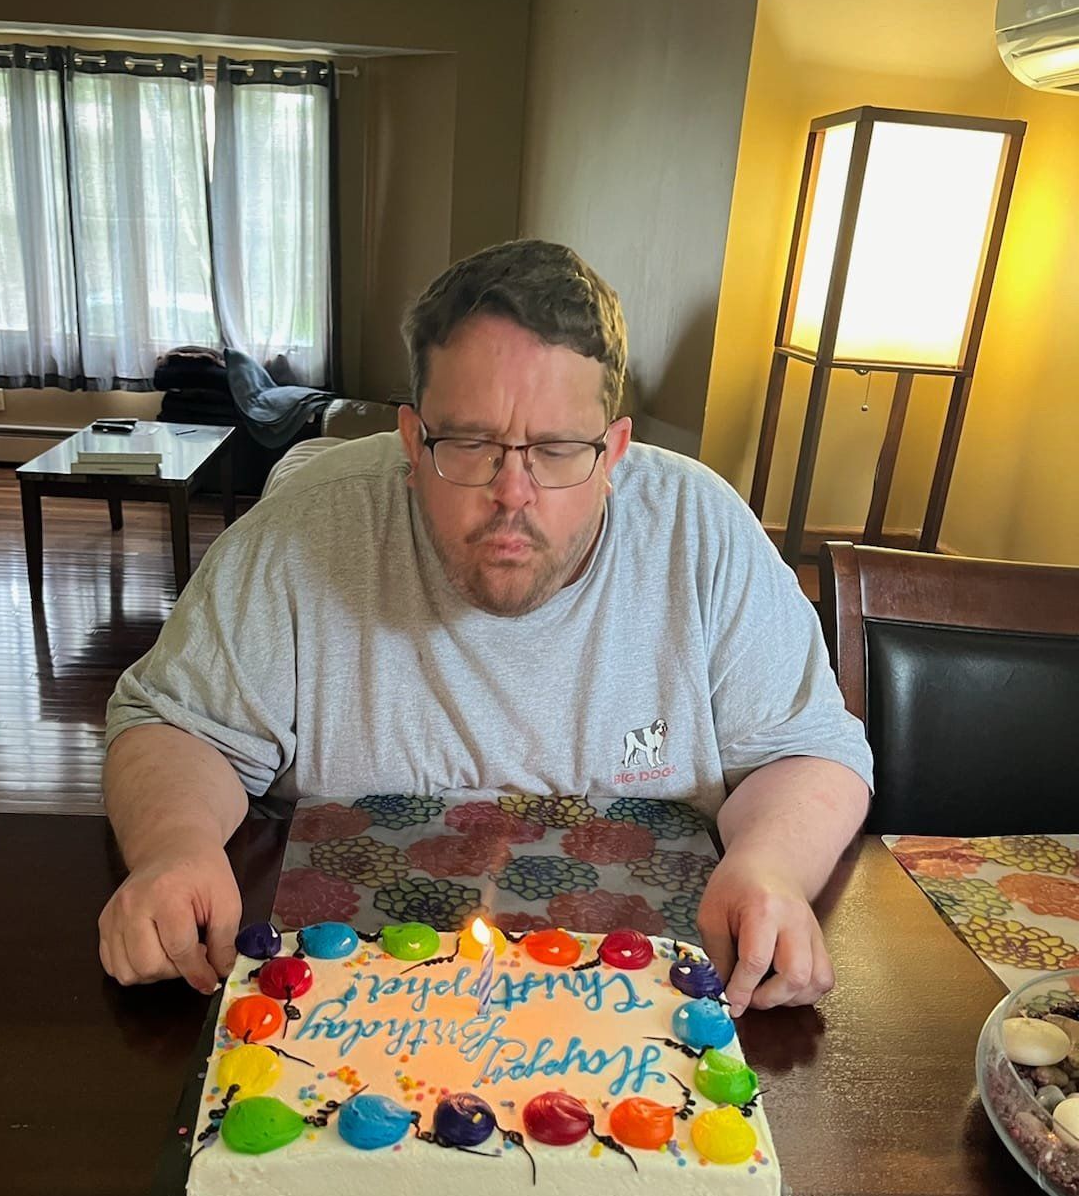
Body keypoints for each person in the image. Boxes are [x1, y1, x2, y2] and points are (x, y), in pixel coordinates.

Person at [99, 239, 871, 1013]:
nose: (513, 492)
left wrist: (771, 866)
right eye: (468, 444)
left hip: (647, 1004)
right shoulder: (298, 535)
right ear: (411, 439)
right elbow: (176, 725)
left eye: (559, 449)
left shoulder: (702, 534)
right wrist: (175, 847)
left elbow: (809, 751)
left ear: (615, 453)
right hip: (340, 1001)